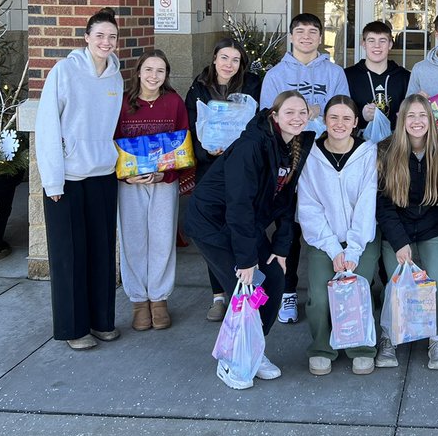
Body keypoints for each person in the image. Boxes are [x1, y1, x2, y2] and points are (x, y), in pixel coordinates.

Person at [182, 91, 316, 390]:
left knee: (274, 282)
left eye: (302, 113)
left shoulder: (294, 146)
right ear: (274, 115)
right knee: (246, 293)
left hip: (245, 224)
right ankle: (231, 359)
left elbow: (287, 201)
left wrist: (281, 248)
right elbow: (238, 203)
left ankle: (253, 349)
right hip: (213, 224)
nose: (296, 118)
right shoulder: (251, 146)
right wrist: (246, 260)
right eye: (289, 112)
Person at [34, 7, 124, 351]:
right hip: (67, 179)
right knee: (70, 256)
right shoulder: (65, 72)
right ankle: (74, 329)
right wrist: (53, 181)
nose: (106, 42)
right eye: (99, 35)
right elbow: (47, 127)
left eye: (112, 36)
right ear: (86, 38)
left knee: (101, 252)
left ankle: (102, 321)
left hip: (102, 175)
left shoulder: (115, 77)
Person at [259, 12, 351, 325]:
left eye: (313, 31)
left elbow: (343, 112)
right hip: (289, 158)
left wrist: (321, 112)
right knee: (290, 226)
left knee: (327, 224)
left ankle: (334, 288)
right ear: (291, 36)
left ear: (320, 36)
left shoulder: (334, 71)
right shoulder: (276, 74)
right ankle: (286, 293)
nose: (307, 37)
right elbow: (265, 118)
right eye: (301, 31)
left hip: (324, 157)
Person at [296, 95, 381, 376]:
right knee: (320, 296)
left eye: (347, 118)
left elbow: (368, 205)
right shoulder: (312, 156)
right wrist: (334, 250)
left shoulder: (368, 153)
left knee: (358, 289)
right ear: (324, 120)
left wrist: (353, 251)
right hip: (324, 239)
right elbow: (309, 207)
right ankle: (322, 347)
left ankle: (361, 348)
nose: (340, 124)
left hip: (362, 239)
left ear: (356, 122)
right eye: (333, 117)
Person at [376, 95, 438, 370]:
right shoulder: (386, 151)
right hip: (397, 231)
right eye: (410, 115)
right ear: (401, 119)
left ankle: (436, 339)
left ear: (432, 120)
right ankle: (388, 337)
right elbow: (383, 205)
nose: (417, 121)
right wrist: (399, 243)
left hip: (432, 229)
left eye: (423, 115)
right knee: (395, 288)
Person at [185, 38, 263, 321]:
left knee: (243, 225)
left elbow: (258, 123)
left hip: (242, 168)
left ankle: (248, 289)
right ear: (214, 58)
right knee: (213, 231)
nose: (229, 64)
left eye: (235, 59)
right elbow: (190, 124)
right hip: (211, 167)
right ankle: (219, 294)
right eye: (224, 58)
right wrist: (204, 151)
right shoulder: (199, 87)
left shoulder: (252, 85)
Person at [115, 49, 189, 332]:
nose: (153, 76)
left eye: (160, 71)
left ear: (166, 74)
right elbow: (113, 142)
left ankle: (158, 299)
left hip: (162, 182)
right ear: (138, 72)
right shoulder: (124, 104)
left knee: (162, 238)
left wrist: (165, 173)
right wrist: (124, 177)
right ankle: (138, 300)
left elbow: (183, 145)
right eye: (148, 70)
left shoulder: (174, 103)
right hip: (130, 185)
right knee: (133, 240)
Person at [344, 21, 411, 132]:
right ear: (363, 44)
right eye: (371, 40)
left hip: (396, 143)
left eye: (382, 41)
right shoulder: (348, 76)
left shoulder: (404, 77)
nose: (377, 46)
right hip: (359, 143)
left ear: (390, 44)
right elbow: (339, 112)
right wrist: (361, 116)